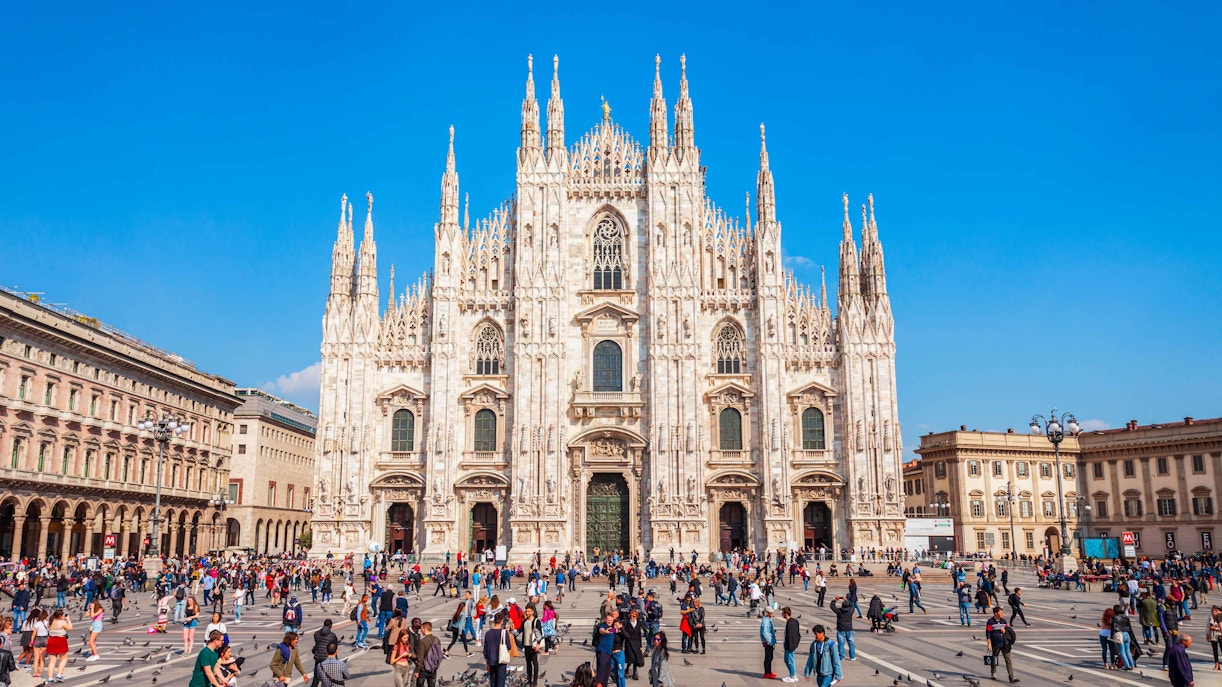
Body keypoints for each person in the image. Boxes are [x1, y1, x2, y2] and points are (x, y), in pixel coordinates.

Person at [985, 607, 1018, 683]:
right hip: (996, 643)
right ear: (996, 613)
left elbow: (1009, 630)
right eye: (1001, 612)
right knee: (994, 658)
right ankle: (993, 672)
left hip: (1005, 643)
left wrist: (1004, 631)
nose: (1002, 614)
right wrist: (989, 644)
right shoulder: (990, 622)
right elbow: (988, 633)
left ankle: (1011, 676)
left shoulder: (1004, 621)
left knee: (1008, 660)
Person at [482, 612, 515, 687]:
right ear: (502, 621)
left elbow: (485, 650)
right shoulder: (504, 633)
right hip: (501, 661)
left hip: (491, 660)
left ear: (494, 621)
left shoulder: (488, 633)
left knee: (493, 682)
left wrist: (487, 662)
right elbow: (509, 647)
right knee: (500, 682)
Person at [45, 608, 72, 683]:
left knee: (52, 660)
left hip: (51, 640)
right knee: (63, 658)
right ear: (60, 615)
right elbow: (70, 628)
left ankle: (50, 677)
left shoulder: (50, 622)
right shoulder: (62, 622)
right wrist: (68, 619)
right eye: (63, 615)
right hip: (60, 640)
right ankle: (59, 675)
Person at [310, 619, 339, 687]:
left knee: (316, 678)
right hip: (328, 658)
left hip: (318, 657)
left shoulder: (316, 633)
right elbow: (335, 645)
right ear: (330, 626)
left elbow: (317, 644)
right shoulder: (332, 635)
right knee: (329, 677)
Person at [521, 604, 543, 687]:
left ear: (532, 612)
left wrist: (538, 644)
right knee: (528, 663)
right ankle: (529, 679)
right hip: (526, 645)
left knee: (535, 662)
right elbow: (519, 630)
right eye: (526, 611)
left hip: (533, 645)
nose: (527, 613)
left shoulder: (536, 621)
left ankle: (535, 680)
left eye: (529, 611)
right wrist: (511, 630)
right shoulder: (525, 621)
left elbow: (539, 634)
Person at [414, 621, 442, 687]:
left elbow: (420, 657)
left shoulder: (422, 641)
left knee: (420, 684)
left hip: (424, 668)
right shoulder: (437, 640)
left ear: (424, 628)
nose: (421, 631)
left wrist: (417, 671)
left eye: (421, 629)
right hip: (433, 668)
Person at [1109, 604, 1137, 670]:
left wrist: (1112, 636)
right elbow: (1130, 627)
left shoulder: (1115, 617)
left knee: (1122, 651)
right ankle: (1132, 664)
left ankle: (1126, 665)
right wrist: (1132, 636)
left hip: (1120, 634)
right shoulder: (1126, 617)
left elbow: (1113, 628)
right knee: (1127, 651)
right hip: (1127, 634)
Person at [830, 595, 856, 661]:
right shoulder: (850, 611)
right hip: (849, 629)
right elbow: (853, 606)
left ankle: (842, 656)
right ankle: (852, 656)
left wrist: (835, 600)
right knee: (851, 643)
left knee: (841, 644)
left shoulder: (839, 611)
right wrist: (847, 600)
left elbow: (832, 606)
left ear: (842, 605)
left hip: (841, 629)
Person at [622, 608, 643, 680]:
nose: (631, 618)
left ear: (636, 617)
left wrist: (640, 645)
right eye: (630, 616)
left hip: (636, 642)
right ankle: (627, 669)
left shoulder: (638, 623)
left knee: (636, 658)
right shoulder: (627, 623)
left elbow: (639, 634)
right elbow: (623, 632)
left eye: (633, 616)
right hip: (629, 642)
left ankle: (634, 673)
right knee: (630, 658)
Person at [781, 607, 801, 683]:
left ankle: (792, 676)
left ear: (786, 614)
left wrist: (790, 645)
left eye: (783, 613)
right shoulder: (793, 621)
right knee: (789, 660)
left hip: (789, 645)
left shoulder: (790, 623)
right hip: (791, 644)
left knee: (788, 660)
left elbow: (791, 635)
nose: (782, 614)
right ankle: (793, 675)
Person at [760, 605, 778, 680]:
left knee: (770, 657)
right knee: (768, 657)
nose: (773, 614)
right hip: (768, 642)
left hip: (770, 640)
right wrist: (769, 640)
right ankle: (767, 673)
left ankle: (769, 671)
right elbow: (764, 632)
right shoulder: (765, 620)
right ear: (767, 613)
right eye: (771, 612)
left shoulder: (769, 619)